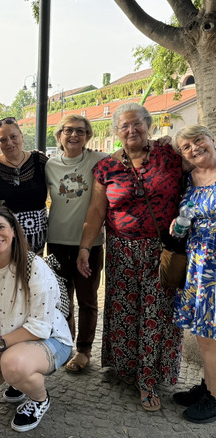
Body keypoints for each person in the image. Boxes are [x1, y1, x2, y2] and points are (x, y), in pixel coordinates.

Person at [77, 102, 183, 412]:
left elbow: (201, 163)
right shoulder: (106, 167)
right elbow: (96, 211)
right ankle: (125, 367)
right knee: (124, 311)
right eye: (124, 125)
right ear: (116, 131)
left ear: (148, 124)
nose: (131, 129)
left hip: (160, 250)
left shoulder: (170, 155)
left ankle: (148, 379)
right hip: (121, 251)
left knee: (155, 312)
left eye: (137, 123)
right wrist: (85, 247)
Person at [0, 204, 73, 433]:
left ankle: (39, 399)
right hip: (7, 339)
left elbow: (40, 327)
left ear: (13, 230)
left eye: (1, 227)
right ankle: (18, 379)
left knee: (12, 363)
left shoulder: (34, 266)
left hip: (49, 338)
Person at [46, 114, 107, 373]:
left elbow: (128, 153)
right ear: (59, 135)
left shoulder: (100, 160)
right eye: (68, 130)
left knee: (87, 299)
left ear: (88, 136)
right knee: (61, 299)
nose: (74, 135)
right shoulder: (49, 164)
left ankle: (84, 350)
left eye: (80, 131)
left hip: (90, 243)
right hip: (57, 241)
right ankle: (65, 344)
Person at [171, 125, 216, 423]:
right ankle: (208, 385)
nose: (194, 148)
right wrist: (178, 226)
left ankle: (214, 397)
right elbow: (185, 222)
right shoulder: (189, 179)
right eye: (186, 147)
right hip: (198, 263)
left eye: (198, 140)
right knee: (203, 333)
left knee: (211, 336)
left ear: (211, 139)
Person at [0, 117, 48, 253]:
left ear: (22, 137)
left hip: (37, 241)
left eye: (13, 137)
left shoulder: (39, 160)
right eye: (3, 140)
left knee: (35, 268)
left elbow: (62, 175)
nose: (9, 143)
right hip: (2, 243)